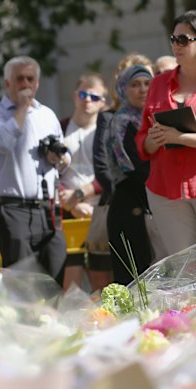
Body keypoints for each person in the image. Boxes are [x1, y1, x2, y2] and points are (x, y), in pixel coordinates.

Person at [0, 56, 70, 285]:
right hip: (13, 210)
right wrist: (21, 109)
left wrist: (59, 159)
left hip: (48, 209)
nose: (25, 84)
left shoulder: (47, 114)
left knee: (55, 278)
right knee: (21, 284)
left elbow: (64, 156)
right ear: (7, 83)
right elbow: (1, 143)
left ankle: (52, 321)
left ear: (37, 84)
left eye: (30, 79)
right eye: (19, 79)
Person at [137, 10, 196, 258]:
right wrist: (153, 139)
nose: (176, 45)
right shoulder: (158, 83)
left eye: (184, 39)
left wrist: (178, 138)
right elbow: (142, 141)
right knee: (186, 270)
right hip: (165, 191)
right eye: (173, 39)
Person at [58, 73, 107, 290]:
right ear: (75, 96)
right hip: (66, 208)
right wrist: (70, 202)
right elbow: (48, 171)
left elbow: (110, 173)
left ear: (103, 103)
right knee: (71, 276)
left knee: (102, 276)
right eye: (83, 94)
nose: (87, 100)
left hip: (100, 208)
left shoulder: (106, 131)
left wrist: (81, 196)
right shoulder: (59, 127)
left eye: (94, 97)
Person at [106, 64, 154, 285]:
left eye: (147, 83)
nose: (142, 89)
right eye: (135, 85)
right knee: (136, 280)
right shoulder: (122, 121)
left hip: (149, 201)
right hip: (130, 205)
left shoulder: (153, 117)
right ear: (123, 89)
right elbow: (133, 167)